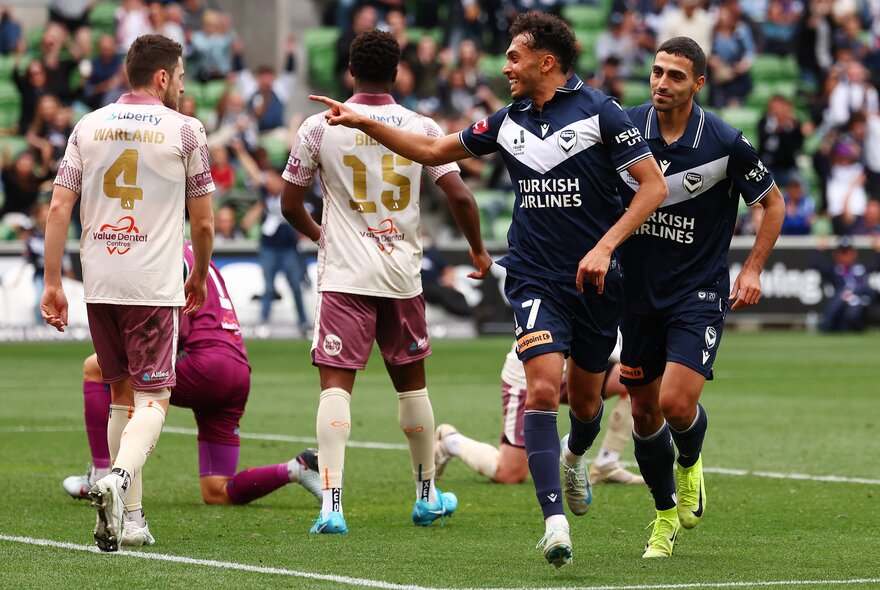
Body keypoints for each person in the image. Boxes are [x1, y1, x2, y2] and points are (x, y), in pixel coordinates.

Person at [309, 11, 668, 568]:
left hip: (596, 280)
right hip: (533, 276)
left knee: (588, 402)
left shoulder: (603, 113)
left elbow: (653, 187)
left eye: (514, 57)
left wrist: (605, 247)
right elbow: (431, 152)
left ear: (546, 62)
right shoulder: (508, 120)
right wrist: (363, 122)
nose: (505, 66)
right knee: (544, 391)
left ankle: (576, 458)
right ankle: (554, 524)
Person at [280, 29, 492, 535]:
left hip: (344, 277)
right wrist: (479, 250)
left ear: (350, 71)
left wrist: (323, 236)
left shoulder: (318, 126)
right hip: (401, 276)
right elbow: (461, 197)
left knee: (336, 387)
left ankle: (331, 504)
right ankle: (425, 497)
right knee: (411, 388)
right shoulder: (420, 125)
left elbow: (290, 204)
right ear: (398, 72)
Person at [40, 34, 215, 553]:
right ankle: (117, 478)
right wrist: (199, 274)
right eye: (180, 77)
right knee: (155, 398)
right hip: (152, 285)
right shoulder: (186, 130)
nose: (182, 85)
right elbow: (202, 222)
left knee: (120, 394)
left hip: (101, 283)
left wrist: (53, 281)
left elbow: (56, 210)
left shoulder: (87, 126)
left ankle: (132, 517)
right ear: (162, 78)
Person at [617, 37, 785, 558]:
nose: (662, 83)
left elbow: (773, 204)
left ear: (698, 84)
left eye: (675, 76)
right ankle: (664, 514)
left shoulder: (725, 141)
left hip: (697, 290)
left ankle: (688, 463)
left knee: (674, 402)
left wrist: (752, 269)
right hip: (635, 292)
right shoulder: (624, 129)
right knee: (644, 415)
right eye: (657, 72)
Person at [61, 244, 322, 546]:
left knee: (97, 368)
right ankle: (295, 469)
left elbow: (175, 329)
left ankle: (101, 472)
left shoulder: (163, 249)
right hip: (237, 370)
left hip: (203, 363)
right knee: (216, 490)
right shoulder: (200, 251)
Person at [435, 340, 644, 486]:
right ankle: (450, 441)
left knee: (639, 380)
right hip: (532, 373)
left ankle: (606, 463)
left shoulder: (613, 281)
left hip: (574, 365)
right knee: (509, 474)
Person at [813, 236, 879, 332]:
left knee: (855, 309)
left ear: (854, 254)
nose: (845, 256)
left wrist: (878, 250)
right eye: (843, 253)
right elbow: (817, 265)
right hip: (842, 304)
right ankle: (828, 326)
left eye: (848, 252)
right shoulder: (834, 270)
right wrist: (819, 250)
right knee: (839, 301)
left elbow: (877, 265)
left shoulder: (861, 268)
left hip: (860, 302)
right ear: (836, 255)